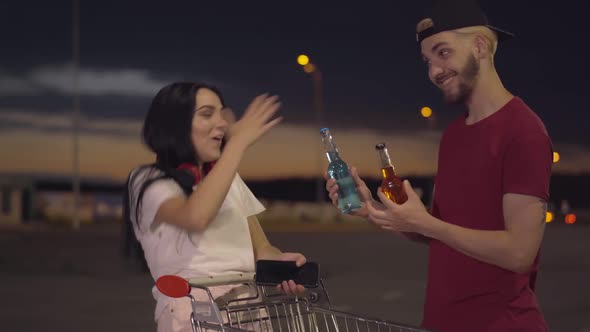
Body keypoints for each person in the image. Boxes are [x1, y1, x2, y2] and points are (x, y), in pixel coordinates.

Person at [325, 1, 552, 331]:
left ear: (480, 46)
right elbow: (439, 232)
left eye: (443, 53)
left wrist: (429, 225)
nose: (434, 72)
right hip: (441, 320)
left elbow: (520, 252)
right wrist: (373, 210)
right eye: (427, 61)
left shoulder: (524, 131)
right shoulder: (454, 136)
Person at [125, 82, 306, 332]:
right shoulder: (148, 179)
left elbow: (261, 247)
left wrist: (279, 264)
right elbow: (196, 216)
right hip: (193, 316)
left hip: (249, 310)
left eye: (222, 113)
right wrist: (237, 145)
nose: (222, 123)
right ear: (176, 123)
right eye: (207, 114)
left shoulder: (228, 179)